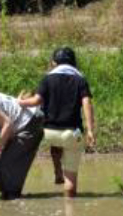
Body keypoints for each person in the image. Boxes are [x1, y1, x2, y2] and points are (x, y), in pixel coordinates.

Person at [18, 47, 95, 197]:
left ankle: (57, 170)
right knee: (71, 182)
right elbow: (87, 104)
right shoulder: (80, 80)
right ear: (74, 63)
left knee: (57, 141)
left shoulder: (47, 79)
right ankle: (69, 209)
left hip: (50, 133)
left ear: (54, 63)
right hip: (73, 133)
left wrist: (20, 101)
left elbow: (36, 101)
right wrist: (90, 130)